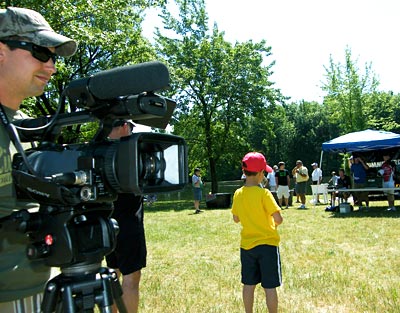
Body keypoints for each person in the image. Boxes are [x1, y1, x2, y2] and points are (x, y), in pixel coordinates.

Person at [0, 7, 77, 312]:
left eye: (54, 57)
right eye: (40, 53)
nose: (51, 67)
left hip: (48, 290)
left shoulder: (28, 129)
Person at [231, 152, 283, 313]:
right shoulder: (264, 194)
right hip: (267, 245)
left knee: (248, 284)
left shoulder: (238, 193)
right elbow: (279, 219)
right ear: (261, 173)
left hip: (247, 246)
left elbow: (236, 218)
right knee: (270, 287)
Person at [106, 120, 147, 313]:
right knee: (131, 278)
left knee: (112, 274)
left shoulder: (99, 152)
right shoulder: (132, 154)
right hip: (129, 223)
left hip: (105, 224)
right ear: (124, 126)